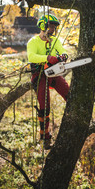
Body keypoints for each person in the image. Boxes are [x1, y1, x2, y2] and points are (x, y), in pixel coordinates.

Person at [27, 14, 69, 148]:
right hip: (39, 75)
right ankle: (45, 137)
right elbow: (31, 56)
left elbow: (62, 50)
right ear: (43, 26)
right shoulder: (33, 41)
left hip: (53, 74)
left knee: (69, 93)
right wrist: (47, 58)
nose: (52, 29)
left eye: (54, 27)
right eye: (50, 26)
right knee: (45, 107)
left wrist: (63, 56)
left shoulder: (55, 40)